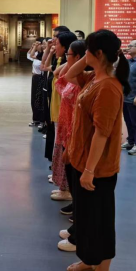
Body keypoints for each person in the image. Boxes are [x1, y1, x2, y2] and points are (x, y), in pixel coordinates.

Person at [64, 30, 130, 271]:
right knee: (87, 219)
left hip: (98, 169)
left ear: (99, 54)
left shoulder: (108, 87)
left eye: (88, 50)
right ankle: (91, 262)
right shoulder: (94, 78)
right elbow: (69, 74)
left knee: (100, 221)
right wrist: (90, 56)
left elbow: (102, 133)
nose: (83, 55)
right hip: (81, 161)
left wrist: (89, 170)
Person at [51, 40, 87, 253]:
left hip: (77, 135)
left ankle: (79, 231)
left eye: (70, 54)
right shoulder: (77, 77)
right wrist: (70, 59)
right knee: (73, 179)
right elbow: (58, 74)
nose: (66, 57)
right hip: (68, 131)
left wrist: (81, 58)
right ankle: (76, 224)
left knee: (80, 184)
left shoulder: (85, 79)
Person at [48, 31, 78, 200]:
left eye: (57, 43)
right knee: (60, 151)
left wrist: (75, 60)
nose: (54, 46)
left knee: (67, 154)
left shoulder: (78, 76)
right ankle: (63, 186)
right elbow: (55, 72)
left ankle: (67, 190)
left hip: (70, 122)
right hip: (63, 116)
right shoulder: (67, 65)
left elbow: (58, 75)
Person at [41, 26, 71, 163]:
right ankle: (56, 166)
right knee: (56, 137)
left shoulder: (67, 63)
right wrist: (50, 50)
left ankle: (59, 167)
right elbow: (44, 67)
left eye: (56, 40)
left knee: (62, 139)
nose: (53, 41)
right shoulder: (58, 59)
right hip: (54, 103)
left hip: (62, 107)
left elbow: (56, 73)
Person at [28, 39, 45, 127]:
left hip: (40, 78)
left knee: (39, 100)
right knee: (34, 99)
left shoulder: (44, 55)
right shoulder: (38, 54)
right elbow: (29, 55)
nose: (37, 45)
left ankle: (42, 120)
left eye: (39, 44)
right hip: (35, 78)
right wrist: (33, 47)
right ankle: (35, 119)